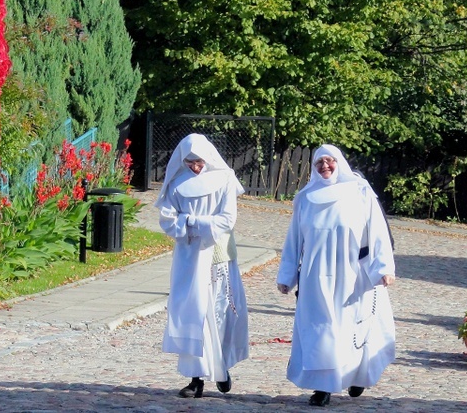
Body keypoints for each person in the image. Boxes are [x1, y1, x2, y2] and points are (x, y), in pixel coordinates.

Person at [276, 144, 396, 407]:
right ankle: (323, 387)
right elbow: (294, 239)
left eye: (329, 161)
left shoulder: (360, 192)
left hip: (352, 273)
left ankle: (355, 376)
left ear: (339, 163)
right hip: (314, 274)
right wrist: (287, 275)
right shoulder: (306, 198)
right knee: (321, 330)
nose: (325, 167)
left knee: (351, 327)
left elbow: (376, 232)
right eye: (319, 163)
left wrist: (383, 267)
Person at [155, 133, 249, 399]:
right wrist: (189, 225)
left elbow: (227, 219)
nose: (195, 167)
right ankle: (196, 378)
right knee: (193, 312)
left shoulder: (224, 178)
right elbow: (167, 219)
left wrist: (194, 223)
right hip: (188, 256)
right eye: (190, 162)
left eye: (199, 161)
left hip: (218, 253)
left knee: (219, 312)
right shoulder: (176, 184)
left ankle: (221, 366)